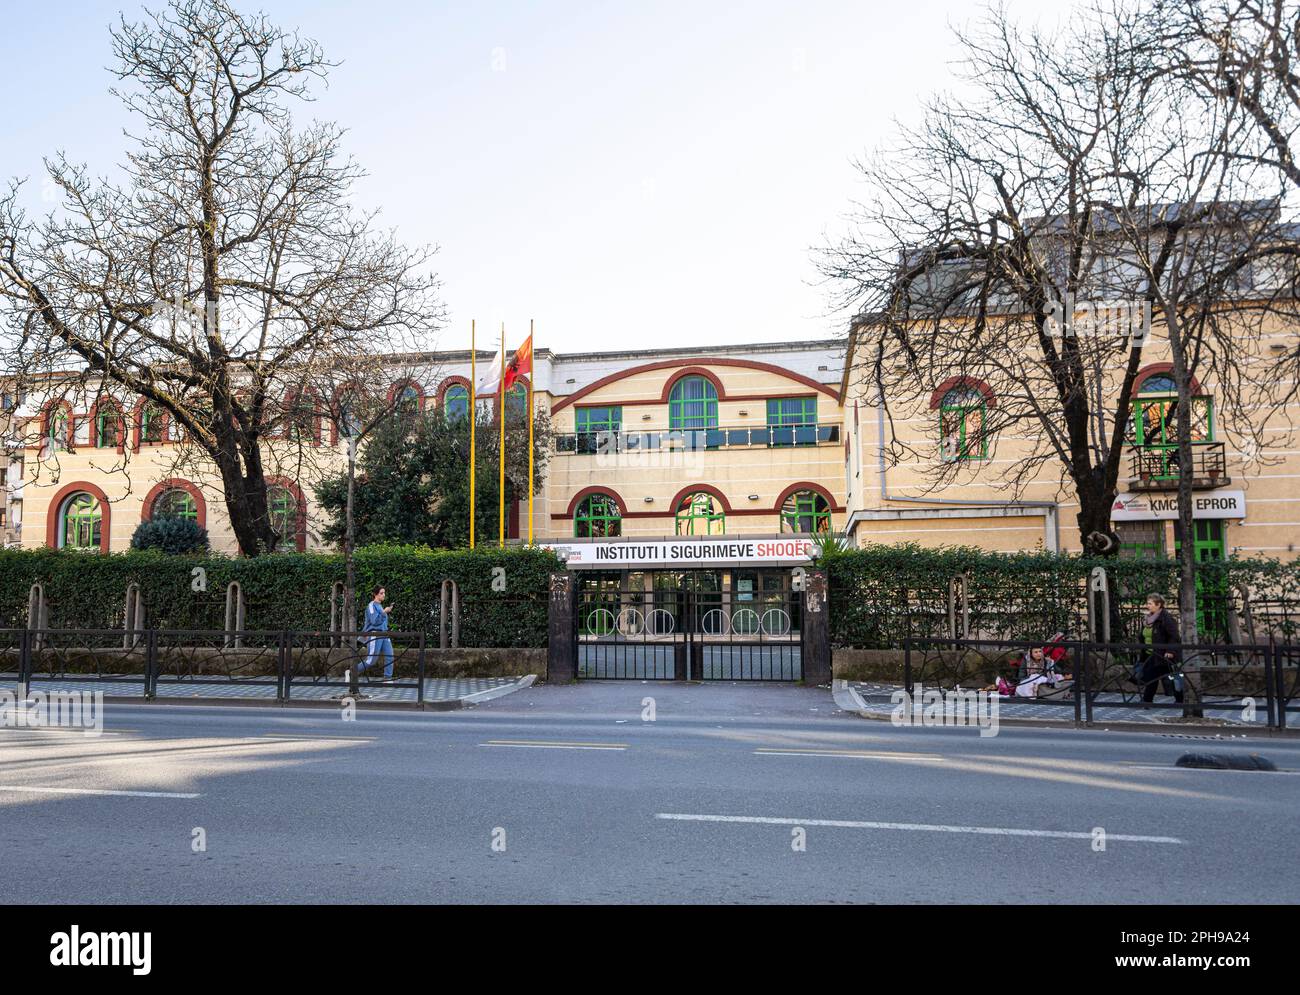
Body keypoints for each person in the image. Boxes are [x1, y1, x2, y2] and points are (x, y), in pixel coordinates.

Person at [1139, 593, 1183, 705]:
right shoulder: (1149, 619)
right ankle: (1147, 700)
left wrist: (1170, 651)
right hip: (1151, 655)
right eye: (1147, 603)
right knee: (1151, 678)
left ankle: (1180, 700)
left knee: (1171, 678)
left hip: (1163, 655)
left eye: (1150, 603)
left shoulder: (1166, 619)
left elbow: (1174, 636)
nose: (1147, 605)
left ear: (1158, 605)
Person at [357, 585, 394, 681]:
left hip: (384, 634)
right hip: (375, 634)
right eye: (381, 593)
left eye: (384, 593)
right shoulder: (371, 605)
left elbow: (382, 622)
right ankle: (352, 672)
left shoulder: (380, 606)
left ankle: (387, 678)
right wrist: (384, 612)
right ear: (375, 594)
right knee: (371, 660)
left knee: (390, 656)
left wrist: (384, 611)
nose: (383, 595)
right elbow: (374, 621)